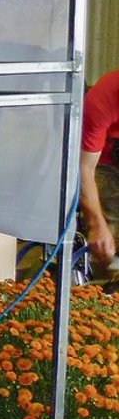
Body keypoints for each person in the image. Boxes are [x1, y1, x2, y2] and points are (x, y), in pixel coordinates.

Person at [80, 69, 119, 272]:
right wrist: (96, 224)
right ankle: (102, 284)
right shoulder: (101, 99)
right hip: (105, 161)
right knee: (108, 231)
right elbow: (84, 168)